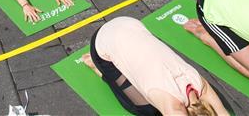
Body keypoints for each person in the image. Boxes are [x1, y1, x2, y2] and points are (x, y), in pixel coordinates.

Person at [82, 17, 229, 116]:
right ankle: (99, 69)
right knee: (143, 109)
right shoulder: (172, 105)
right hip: (102, 44)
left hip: (128, 23)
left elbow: (223, 113)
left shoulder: (200, 85)